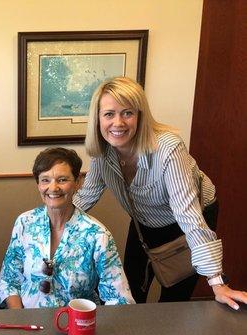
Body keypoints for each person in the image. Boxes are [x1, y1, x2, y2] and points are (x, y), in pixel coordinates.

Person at [73, 76, 247, 309]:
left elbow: (189, 216)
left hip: (188, 218)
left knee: (174, 296)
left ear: (140, 116)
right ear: (97, 118)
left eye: (127, 113)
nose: (118, 123)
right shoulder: (102, 152)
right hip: (143, 219)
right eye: (109, 114)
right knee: (131, 287)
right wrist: (44, 223)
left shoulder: (167, 148)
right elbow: (86, 196)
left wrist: (217, 283)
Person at [0, 148, 134, 309]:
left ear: (78, 182)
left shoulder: (97, 235)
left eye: (62, 180)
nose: (53, 188)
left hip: (77, 326)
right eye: (45, 180)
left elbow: (119, 298)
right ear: (38, 184)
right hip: (28, 325)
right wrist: (20, 318)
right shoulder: (25, 223)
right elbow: (8, 281)